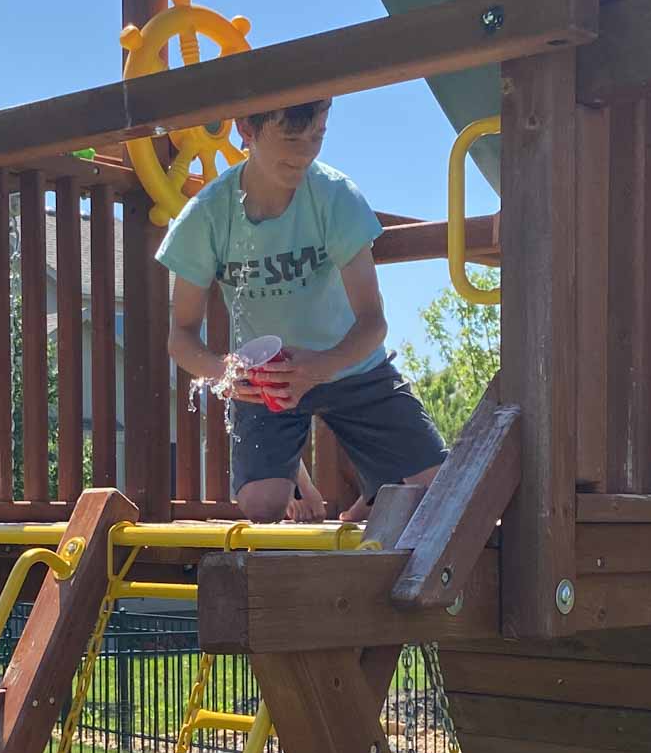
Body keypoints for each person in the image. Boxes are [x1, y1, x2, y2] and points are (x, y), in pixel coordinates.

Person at [158, 99, 446, 522]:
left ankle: (369, 499)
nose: (305, 153)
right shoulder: (207, 216)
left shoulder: (334, 195)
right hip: (268, 378)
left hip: (351, 363)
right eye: (291, 138)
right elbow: (180, 337)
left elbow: (373, 323)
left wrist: (322, 366)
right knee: (262, 504)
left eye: (317, 136)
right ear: (247, 129)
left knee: (437, 489)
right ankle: (293, 472)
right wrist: (225, 373)